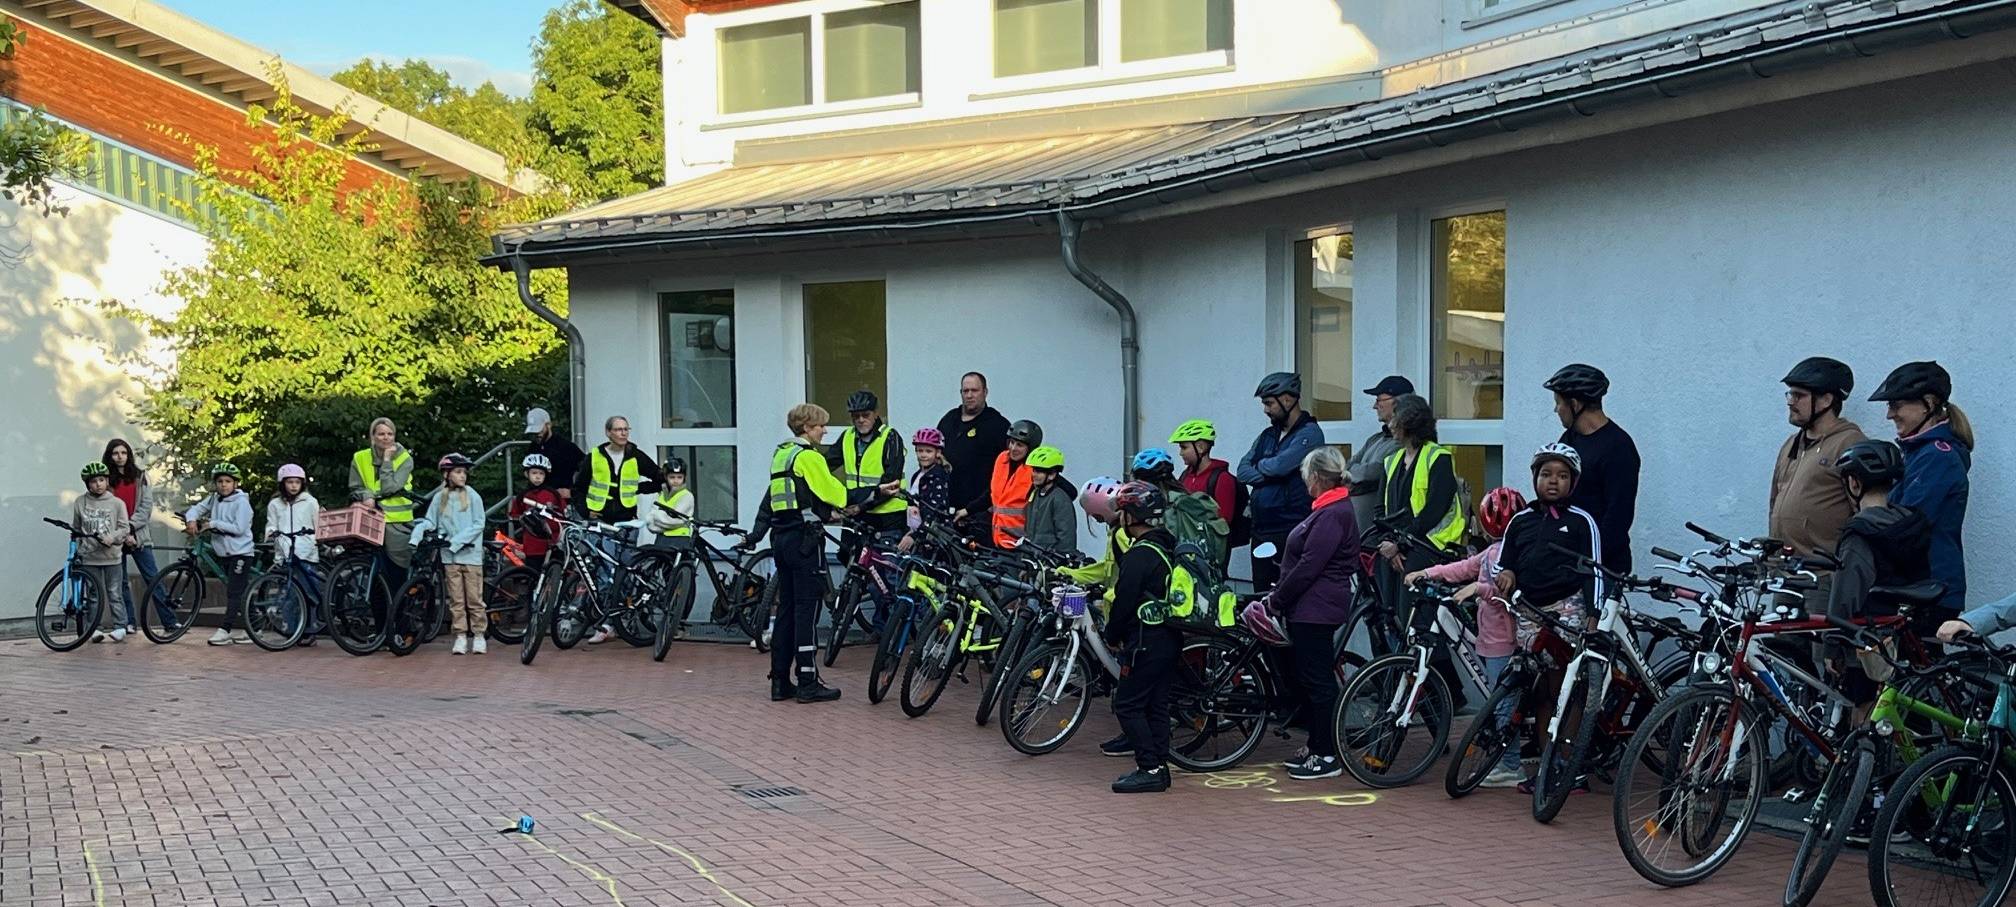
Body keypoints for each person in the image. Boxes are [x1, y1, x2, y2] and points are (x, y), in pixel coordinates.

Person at [1492, 444, 1603, 793]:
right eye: (1546, 474)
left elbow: (1594, 572)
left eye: (1562, 475)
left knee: (1563, 690)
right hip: (1529, 611)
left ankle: (1567, 768)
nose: (1553, 481)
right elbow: (1503, 562)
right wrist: (1507, 573)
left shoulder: (1582, 521)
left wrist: (1593, 615)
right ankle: (1546, 765)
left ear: (1573, 482)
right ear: (1534, 478)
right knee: (1539, 691)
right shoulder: (1520, 520)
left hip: (1567, 608)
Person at [1408, 486, 1529, 787]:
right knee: (1499, 700)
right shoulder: (1492, 553)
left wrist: (1478, 588)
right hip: (1491, 638)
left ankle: (1511, 766)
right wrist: (1429, 573)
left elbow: (1506, 590)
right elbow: (1461, 568)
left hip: (1503, 640)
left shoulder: (1506, 554)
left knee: (1503, 703)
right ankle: (1507, 759)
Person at [1254, 446, 1360, 781]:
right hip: (1310, 606)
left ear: (1316, 477)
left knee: (1318, 682)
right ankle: (1316, 745)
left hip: (1316, 608)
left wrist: (1278, 599)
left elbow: (1310, 565)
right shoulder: (1328, 509)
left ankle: (1326, 755)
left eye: (1306, 477)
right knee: (1310, 679)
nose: (1305, 483)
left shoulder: (1333, 513)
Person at [764, 403, 873, 703]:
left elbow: (797, 498)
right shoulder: (808, 457)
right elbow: (835, 494)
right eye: (821, 426)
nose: (825, 431)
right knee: (806, 611)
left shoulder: (782, 454)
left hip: (781, 539)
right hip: (804, 543)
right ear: (807, 428)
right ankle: (808, 681)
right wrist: (875, 493)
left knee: (786, 610)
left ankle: (779, 681)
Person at [1821, 440, 1931, 703]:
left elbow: (1846, 596)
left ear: (1854, 483)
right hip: (1908, 634)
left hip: (1867, 641)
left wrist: (1831, 646)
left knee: (1863, 712)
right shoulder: (1911, 522)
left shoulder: (1860, 534)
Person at [1869, 361, 1972, 617]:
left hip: (1929, 587)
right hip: (1916, 584)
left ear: (1928, 403)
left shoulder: (1937, 456)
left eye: (1896, 405)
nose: (1889, 415)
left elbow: (1906, 521)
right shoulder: (1918, 453)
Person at [1770, 357, 1865, 610]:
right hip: (1786, 571)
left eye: (1799, 395)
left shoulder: (1850, 444)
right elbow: (1775, 500)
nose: (1791, 402)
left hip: (1823, 577)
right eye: (1790, 394)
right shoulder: (1791, 444)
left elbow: (1863, 512)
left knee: (1819, 637)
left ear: (1826, 400)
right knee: (1776, 636)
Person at [1104, 481, 1181, 794]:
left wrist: (1112, 635)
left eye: (1122, 512)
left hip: (1144, 640)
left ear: (1131, 516)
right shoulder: (1167, 546)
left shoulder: (1139, 555)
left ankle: (1149, 767)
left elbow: (1124, 601)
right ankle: (1160, 767)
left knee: (1128, 704)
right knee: (1156, 704)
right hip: (1168, 637)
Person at [1374, 394, 1466, 628]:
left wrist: (1400, 544)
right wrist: (1390, 543)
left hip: (1431, 545)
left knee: (1412, 613)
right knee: (1386, 611)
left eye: (1395, 418)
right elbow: (1380, 509)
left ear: (1410, 422)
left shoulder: (1438, 457)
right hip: (1399, 545)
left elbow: (1434, 511)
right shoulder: (1391, 461)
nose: (1390, 424)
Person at [1545, 363, 1639, 574]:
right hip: (1568, 558)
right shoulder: (1569, 439)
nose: (1556, 410)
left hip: (1602, 566)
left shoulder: (1618, 448)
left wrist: (1590, 558)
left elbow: (1618, 517)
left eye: (1558, 403)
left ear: (1575, 404)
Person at [1237, 372, 1326, 591]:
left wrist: (1265, 467)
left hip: (1291, 528)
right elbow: (1242, 470)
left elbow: (1279, 466)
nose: (1265, 410)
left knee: (1289, 593)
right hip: (1261, 529)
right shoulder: (1267, 435)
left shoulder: (1309, 434)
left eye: (1269, 403)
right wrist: (1272, 472)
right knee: (1261, 594)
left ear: (1287, 400)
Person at [102, 438, 166, 636]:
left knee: (153, 578)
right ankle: (129, 622)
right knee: (120, 583)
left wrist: (129, 528)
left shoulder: (140, 476)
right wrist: (122, 533)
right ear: (110, 456)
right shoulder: (104, 479)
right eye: (115, 453)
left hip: (138, 535)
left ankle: (170, 621)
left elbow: (146, 507)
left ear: (128, 455)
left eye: (123, 453)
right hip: (116, 537)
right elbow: (105, 510)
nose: (120, 457)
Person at [187, 462, 255, 646]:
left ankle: (225, 630)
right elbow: (197, 508)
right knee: (239, 590)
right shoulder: (214, 499)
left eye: (228, 481)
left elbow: (239, 528)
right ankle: (255, 627)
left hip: (241, 552)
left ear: (235, 483)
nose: (223, 485)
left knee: (233, 592)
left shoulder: (242, 503)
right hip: (224, 553)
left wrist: (213, 524)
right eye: (220, 481)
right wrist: (191, 519)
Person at [936, 372, 1011, 538]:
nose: (969, 395)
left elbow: (1008, 469)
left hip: (980, 512)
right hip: (948, 511)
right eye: (965, 391)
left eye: (974, 390)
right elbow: (934, 453)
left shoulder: (997, 425)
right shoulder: (949, 420)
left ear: (985, 392)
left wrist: (988, 505)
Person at [431, 453, 487, 655]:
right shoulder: (439, 497)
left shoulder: (472, 495)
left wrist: (457, 541)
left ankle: (479, 635)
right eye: (457, 472)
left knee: (474, 599)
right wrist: (421, 532)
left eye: (464, 472)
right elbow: (431, 521)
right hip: (450, 557)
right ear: (447, 474)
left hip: (471, 556)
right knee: (456, 600)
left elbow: (479, 523)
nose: (462, 475)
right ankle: (460, 635)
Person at [829, 390, 907, 536]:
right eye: (856, 416)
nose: (860, 420)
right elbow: (826, 465)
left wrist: (861, 506)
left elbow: (891, 481)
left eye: (865, 415)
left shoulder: (890, 437)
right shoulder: (847, 436)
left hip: (886, 516)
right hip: (855, 514)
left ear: (876, 414)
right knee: (848, 550)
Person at [71, 462, 132, 643]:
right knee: (93, 594)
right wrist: (78, 549)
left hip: (112, 557)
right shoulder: (80, 502)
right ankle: (93, 628)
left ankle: (120, 626)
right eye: (93, 481)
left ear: (107, 481)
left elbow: (124, 528)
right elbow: (76, 528)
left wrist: (112, 538)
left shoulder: (117, 503)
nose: (98, 484)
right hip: (89, 557)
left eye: (101, 480)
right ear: (87, 484)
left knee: (115, 593)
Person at [348, 417, 418, 572]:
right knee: (369, 562)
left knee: (397, 566)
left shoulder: (405, 458)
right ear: (373, 436)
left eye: (390, 434)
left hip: (397, 521)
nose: (386, 438)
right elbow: (355, 487)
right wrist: (367, 495)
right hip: (370, 515)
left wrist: (387, 460)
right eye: (381, 434)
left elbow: (389, 488)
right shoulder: (360, 457)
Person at [264, 464, 323, 645]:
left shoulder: (310, 502)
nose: (293, 486)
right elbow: (271, 524)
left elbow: (318, 524)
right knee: (289, 594)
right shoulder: (275, 504)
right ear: (283, 484)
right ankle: (292, 629)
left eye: (297, 482)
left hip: (306, 552)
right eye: (289, 482)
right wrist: (271, 533)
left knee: (307, 591)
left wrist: (317, 538)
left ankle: (309, 628)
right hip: (284, 553)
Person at [1347, 376, 1412, 537]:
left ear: (1397, 402)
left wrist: (1356, 476)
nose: (1375, 406)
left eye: (1379, 400)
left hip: (1380, 532)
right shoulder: (1375, 439)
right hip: (1361, 531)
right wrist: (1356, 475)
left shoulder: (1406, 442)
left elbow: (1374, 472)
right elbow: (1349, 466)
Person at [573, 415, 664, 524]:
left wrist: (639, 488)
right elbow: (579, 488)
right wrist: (585, 512)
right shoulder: (594, 457)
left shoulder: (635, 456)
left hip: (627, 519)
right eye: (618, 430)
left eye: (626, 429)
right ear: (608, 432)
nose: (623, 433)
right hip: (599, 519)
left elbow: (660, 477)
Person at [972, 419, 1042, 549]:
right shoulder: (1002, 459)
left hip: (1018, 543)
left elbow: (1067, 491)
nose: (1013, 448)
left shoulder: (1036, 470)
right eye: (1011, 442)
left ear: (1031, 448)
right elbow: (992, 493)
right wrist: (968, 510)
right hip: (996, 536)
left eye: (1019, 445)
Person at [1171, 420, 1239, 526]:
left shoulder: (1222, 479)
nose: (1180, 453)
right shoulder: (1185, 475)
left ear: (1200, 447)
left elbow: (1224, 521)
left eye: (1184, 447)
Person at [509, 454, 563, 573]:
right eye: (534, 473)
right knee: (532, 573)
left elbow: (562, 514)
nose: (537, 477)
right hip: (532, 544)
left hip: (553, 543)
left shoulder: (553, 494)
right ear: (527, 474)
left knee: (555, 573)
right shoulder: (522, 496)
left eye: (541, 473)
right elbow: (515, 515)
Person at [900, 428, 952, 553]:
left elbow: (935, 512)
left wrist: (915, 536)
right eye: (920, 450)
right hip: (916, 532)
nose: (923, 455)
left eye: (928, 451)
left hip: (930, 537)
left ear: (938, 452)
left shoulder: (938, 477)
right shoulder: (917, 475)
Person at [523, 407, 585, 509]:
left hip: (560, 503)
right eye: (534, 432)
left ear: (549, 425)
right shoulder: (533, 447)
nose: (537, 435)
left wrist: (573, 492)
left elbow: (586, 470)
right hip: (536, 500)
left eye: (539, 430)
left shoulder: (566, 447)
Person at [1022, 445, 1077, 554]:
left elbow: (1066, 537)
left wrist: (1059, 558)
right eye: (1034, 470)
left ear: (1052, 474)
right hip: (1034, 557)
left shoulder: (1060, 499)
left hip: (1050, 559)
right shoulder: (1035, 494)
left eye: (1039, 471)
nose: (1034, 474)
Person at [642, 457, 696, 551]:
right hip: (661, 539)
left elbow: (675, 521)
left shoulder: (687, 496)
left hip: (680, 539)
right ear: (666, 477)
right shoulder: (661, 495)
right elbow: (650, 522)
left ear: (684, 477)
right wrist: (664, 519)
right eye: (672, 477)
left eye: (679, 477)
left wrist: (656, 516)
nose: (676, 481)